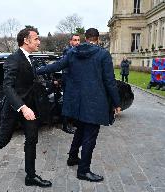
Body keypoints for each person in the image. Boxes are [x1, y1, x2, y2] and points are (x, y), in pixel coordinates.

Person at [37, 28, 121, 182]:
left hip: (76, 102)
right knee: (90, 135)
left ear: (85, 38)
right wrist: (117, 103)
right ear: (97, 39)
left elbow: (55, 66)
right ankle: (83, 170)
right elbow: (110, 81)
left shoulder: (73, 52)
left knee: (80, 129)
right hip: (94, 102)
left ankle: (72, 157)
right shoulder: (103, 54)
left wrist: (36, 70)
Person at [0, 27, 52, 188]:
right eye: (36, 39)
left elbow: (30, 82)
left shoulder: (30, 58)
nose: (39, 42)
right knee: (3, 140)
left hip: (31, 109)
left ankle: (30, 176)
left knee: (32, 140)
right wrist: (23, 107)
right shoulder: (13, 59)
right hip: (14, 108)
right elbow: (8, 87)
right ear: (26, 40)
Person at [61, 34, 80, 134]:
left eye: (78, 40)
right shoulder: (68, 50)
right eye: (75, 40)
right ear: (70, 41)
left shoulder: (77, 50)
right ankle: (65, 125)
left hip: (75, 80)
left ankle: (73, 123)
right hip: (68, 79)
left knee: (74, 103)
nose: (77, 42)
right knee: (67, 103)